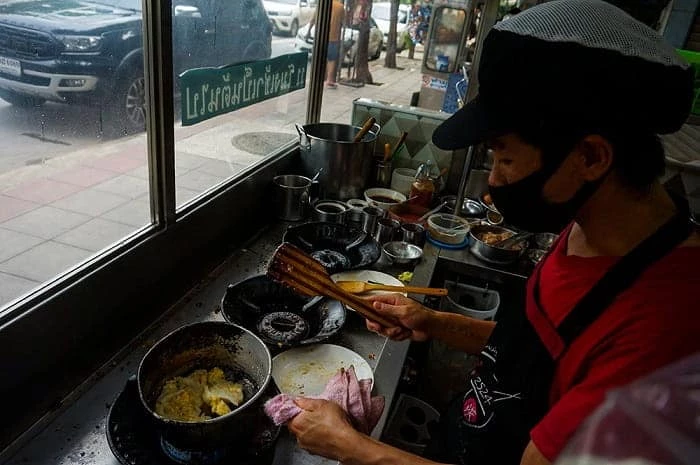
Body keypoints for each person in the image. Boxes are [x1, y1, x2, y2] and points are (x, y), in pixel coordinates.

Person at [287, 2, 700, 465]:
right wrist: (433, 322)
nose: (494, 182)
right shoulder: (593, 227)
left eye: (504, 157)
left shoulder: (663, 339)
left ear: (590, 157)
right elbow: (535, 350)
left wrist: (351, 447)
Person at [306, 0, 345, 88]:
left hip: (320, 36)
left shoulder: (321, 4)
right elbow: (342, 22)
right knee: (331, 59)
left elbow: (313, 20)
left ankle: (315, 78)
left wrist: (308, 32)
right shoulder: (340, 7)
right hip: (333, 38)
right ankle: (329, 80)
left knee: (318, 58)